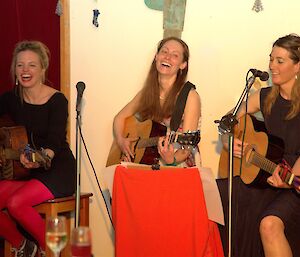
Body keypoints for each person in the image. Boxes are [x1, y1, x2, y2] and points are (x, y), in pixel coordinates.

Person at [217, 34, 300, 257]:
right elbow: (228, 120)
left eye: (280, 61)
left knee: (269, 224)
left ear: (298, 66)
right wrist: (227, 140)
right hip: (268, 174)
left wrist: (290, 178)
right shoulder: (264, 96)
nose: (272, 66)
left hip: (294, 182)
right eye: (271, 59)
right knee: (221, 195)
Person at [0, 41, 76, 257]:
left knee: (16, 204)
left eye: (32, 65)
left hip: (58, 169)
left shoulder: (57, 100)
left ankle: (52, 251)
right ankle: (24, 246)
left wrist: (41, 158)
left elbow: (54, 141)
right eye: (20, 65)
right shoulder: (11, 99)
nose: (25, 71)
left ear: (43, 68)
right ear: (14, 70)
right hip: (29, 172)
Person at [113, 36, 201, 167]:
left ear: (183, 65)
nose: (167, 57)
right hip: (149, 163)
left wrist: (172, 160)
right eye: (164, 52)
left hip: (179, 167)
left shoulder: (190, 96)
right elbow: (119, 118)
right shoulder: (147, 93)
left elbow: (186, 150)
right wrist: (121, 141)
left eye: (175, 55)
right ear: (156, 57)